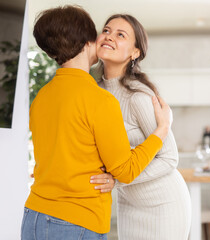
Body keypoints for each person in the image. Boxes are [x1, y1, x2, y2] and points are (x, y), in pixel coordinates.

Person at [22, 6, 172, 240]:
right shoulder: (100, 100)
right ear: (87, 43)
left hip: (34, 215)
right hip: (76, 221)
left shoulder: (41, 96)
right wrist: (162, 129)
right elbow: (126, 170)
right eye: (101, 32)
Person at [91, 14, 191, 240]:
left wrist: (118, 179)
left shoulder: (138, 96)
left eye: (120, 34)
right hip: (128, 203)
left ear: (135, 52)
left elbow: (169, 158)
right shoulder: (93, 93)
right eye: (106, 31)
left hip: (164, 204)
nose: (109, 37)